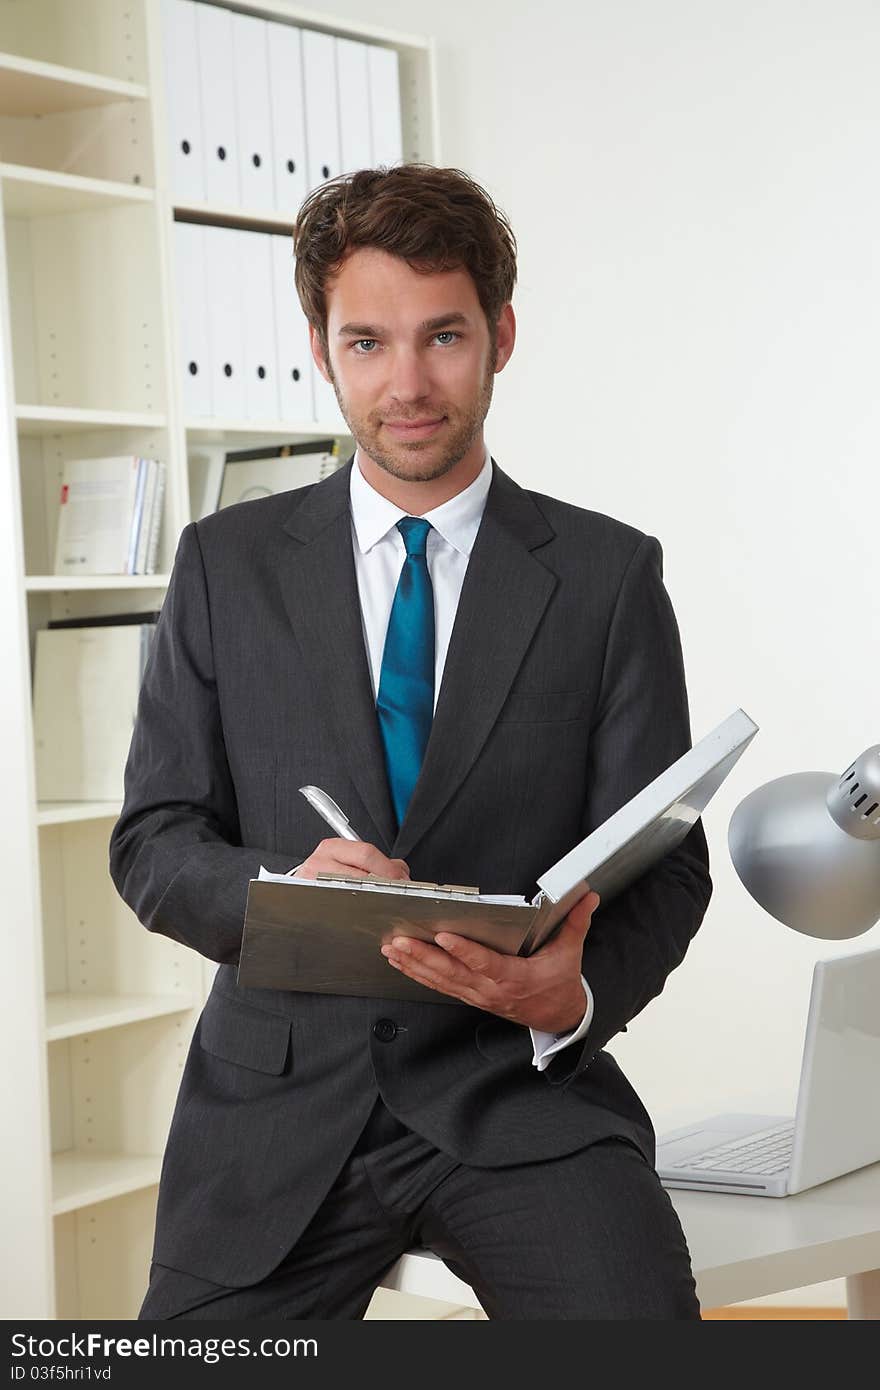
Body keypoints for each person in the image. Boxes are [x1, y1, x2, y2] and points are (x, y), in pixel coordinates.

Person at [109, 163, 711, 1320]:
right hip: (277, 1102)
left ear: (501, 335)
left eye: (442, 336)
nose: (409, 383)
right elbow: (154, 839)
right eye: (368, 342)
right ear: (322, 348)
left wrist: (569, 996)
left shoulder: (605, 576)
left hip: (511, 1088)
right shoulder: (223, 566)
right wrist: (276, 886)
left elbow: (668, 855)